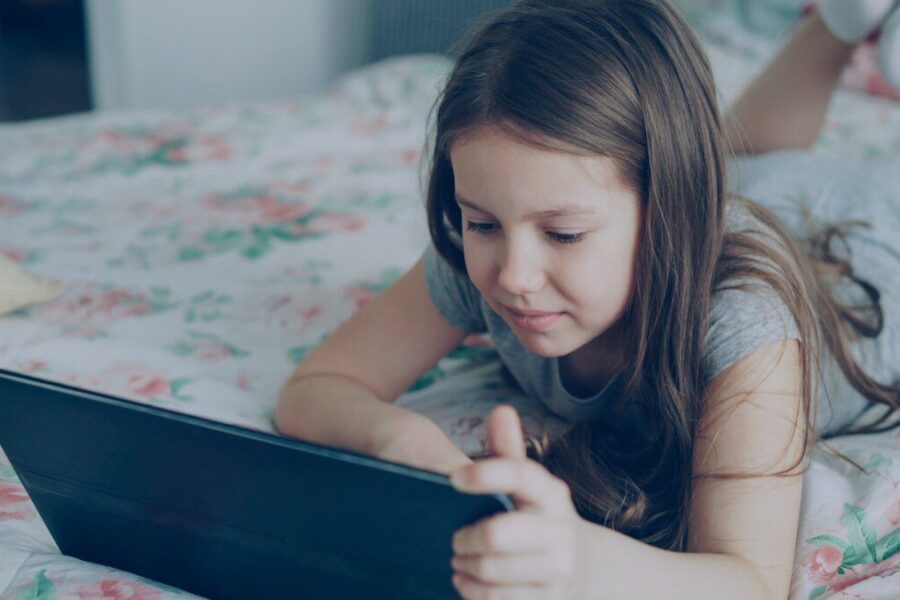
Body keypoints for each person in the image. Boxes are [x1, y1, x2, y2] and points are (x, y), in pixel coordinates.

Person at [274, 1, 900, 598]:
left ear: (667, 216)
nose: (514, 276)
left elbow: (749, 585)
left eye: (563, 235)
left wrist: (578, 561)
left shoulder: (745, 321)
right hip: (772, 200)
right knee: (749, 168)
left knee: (761, 176)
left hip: (877, 241)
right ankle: (838, 25)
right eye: (482, 223)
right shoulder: (487, 251)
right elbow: (317, 387)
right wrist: (403, 441)